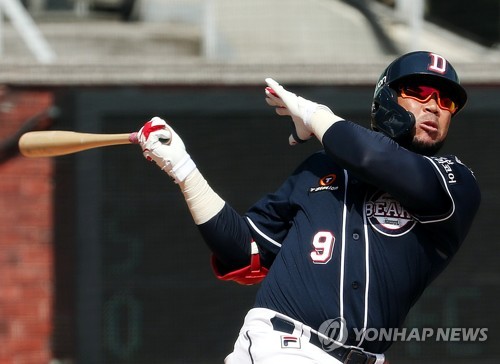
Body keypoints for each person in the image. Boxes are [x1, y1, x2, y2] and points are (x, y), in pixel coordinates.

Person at [136, 51, 481, 364]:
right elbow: (243, 250)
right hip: (285, 345)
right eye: (419, 92)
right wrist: (183, 169)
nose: (435, 105)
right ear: (386, 98)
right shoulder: (320, 168)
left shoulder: (455, 183)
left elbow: (372, 157)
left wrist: (317, 116)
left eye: (447, 100)